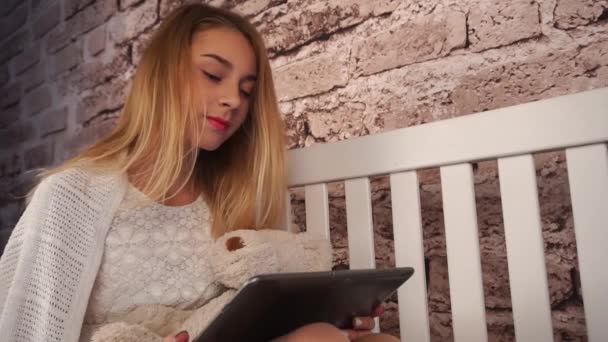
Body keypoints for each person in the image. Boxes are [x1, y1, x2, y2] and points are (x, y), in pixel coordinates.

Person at [0, 4, 399, 342]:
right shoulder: (74, 193)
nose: (232, 101)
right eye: (212, 75)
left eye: (246, 90)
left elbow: (257, 313)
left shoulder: (238, 197)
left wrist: (332, 317)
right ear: (163, 76)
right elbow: (30, 330)